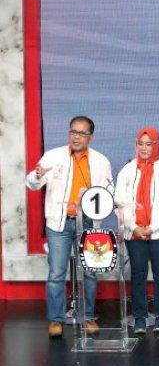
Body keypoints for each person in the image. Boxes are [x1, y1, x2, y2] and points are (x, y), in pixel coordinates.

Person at [25, 116, 114, 337]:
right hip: (59, 223)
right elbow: (32, 183)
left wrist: (88, 207)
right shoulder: (53, 156)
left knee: (90, 272)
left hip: (88, 223)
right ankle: (56, 320)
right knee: (56, 273)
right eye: (73, 132)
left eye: (82, 133)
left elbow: (108, 192)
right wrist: (37, 176)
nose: (76, 137)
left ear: (90, 137)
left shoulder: (101, 161)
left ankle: (88, 317)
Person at [115, 127, 159, 334]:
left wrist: (151, 228)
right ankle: (140, 317)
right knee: (138, 274)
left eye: (148, 144)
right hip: (134, 233)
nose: (144, 148)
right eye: (140, 144)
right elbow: (120, 202)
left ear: (156, 145)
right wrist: (134, 227)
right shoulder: (127, 170)